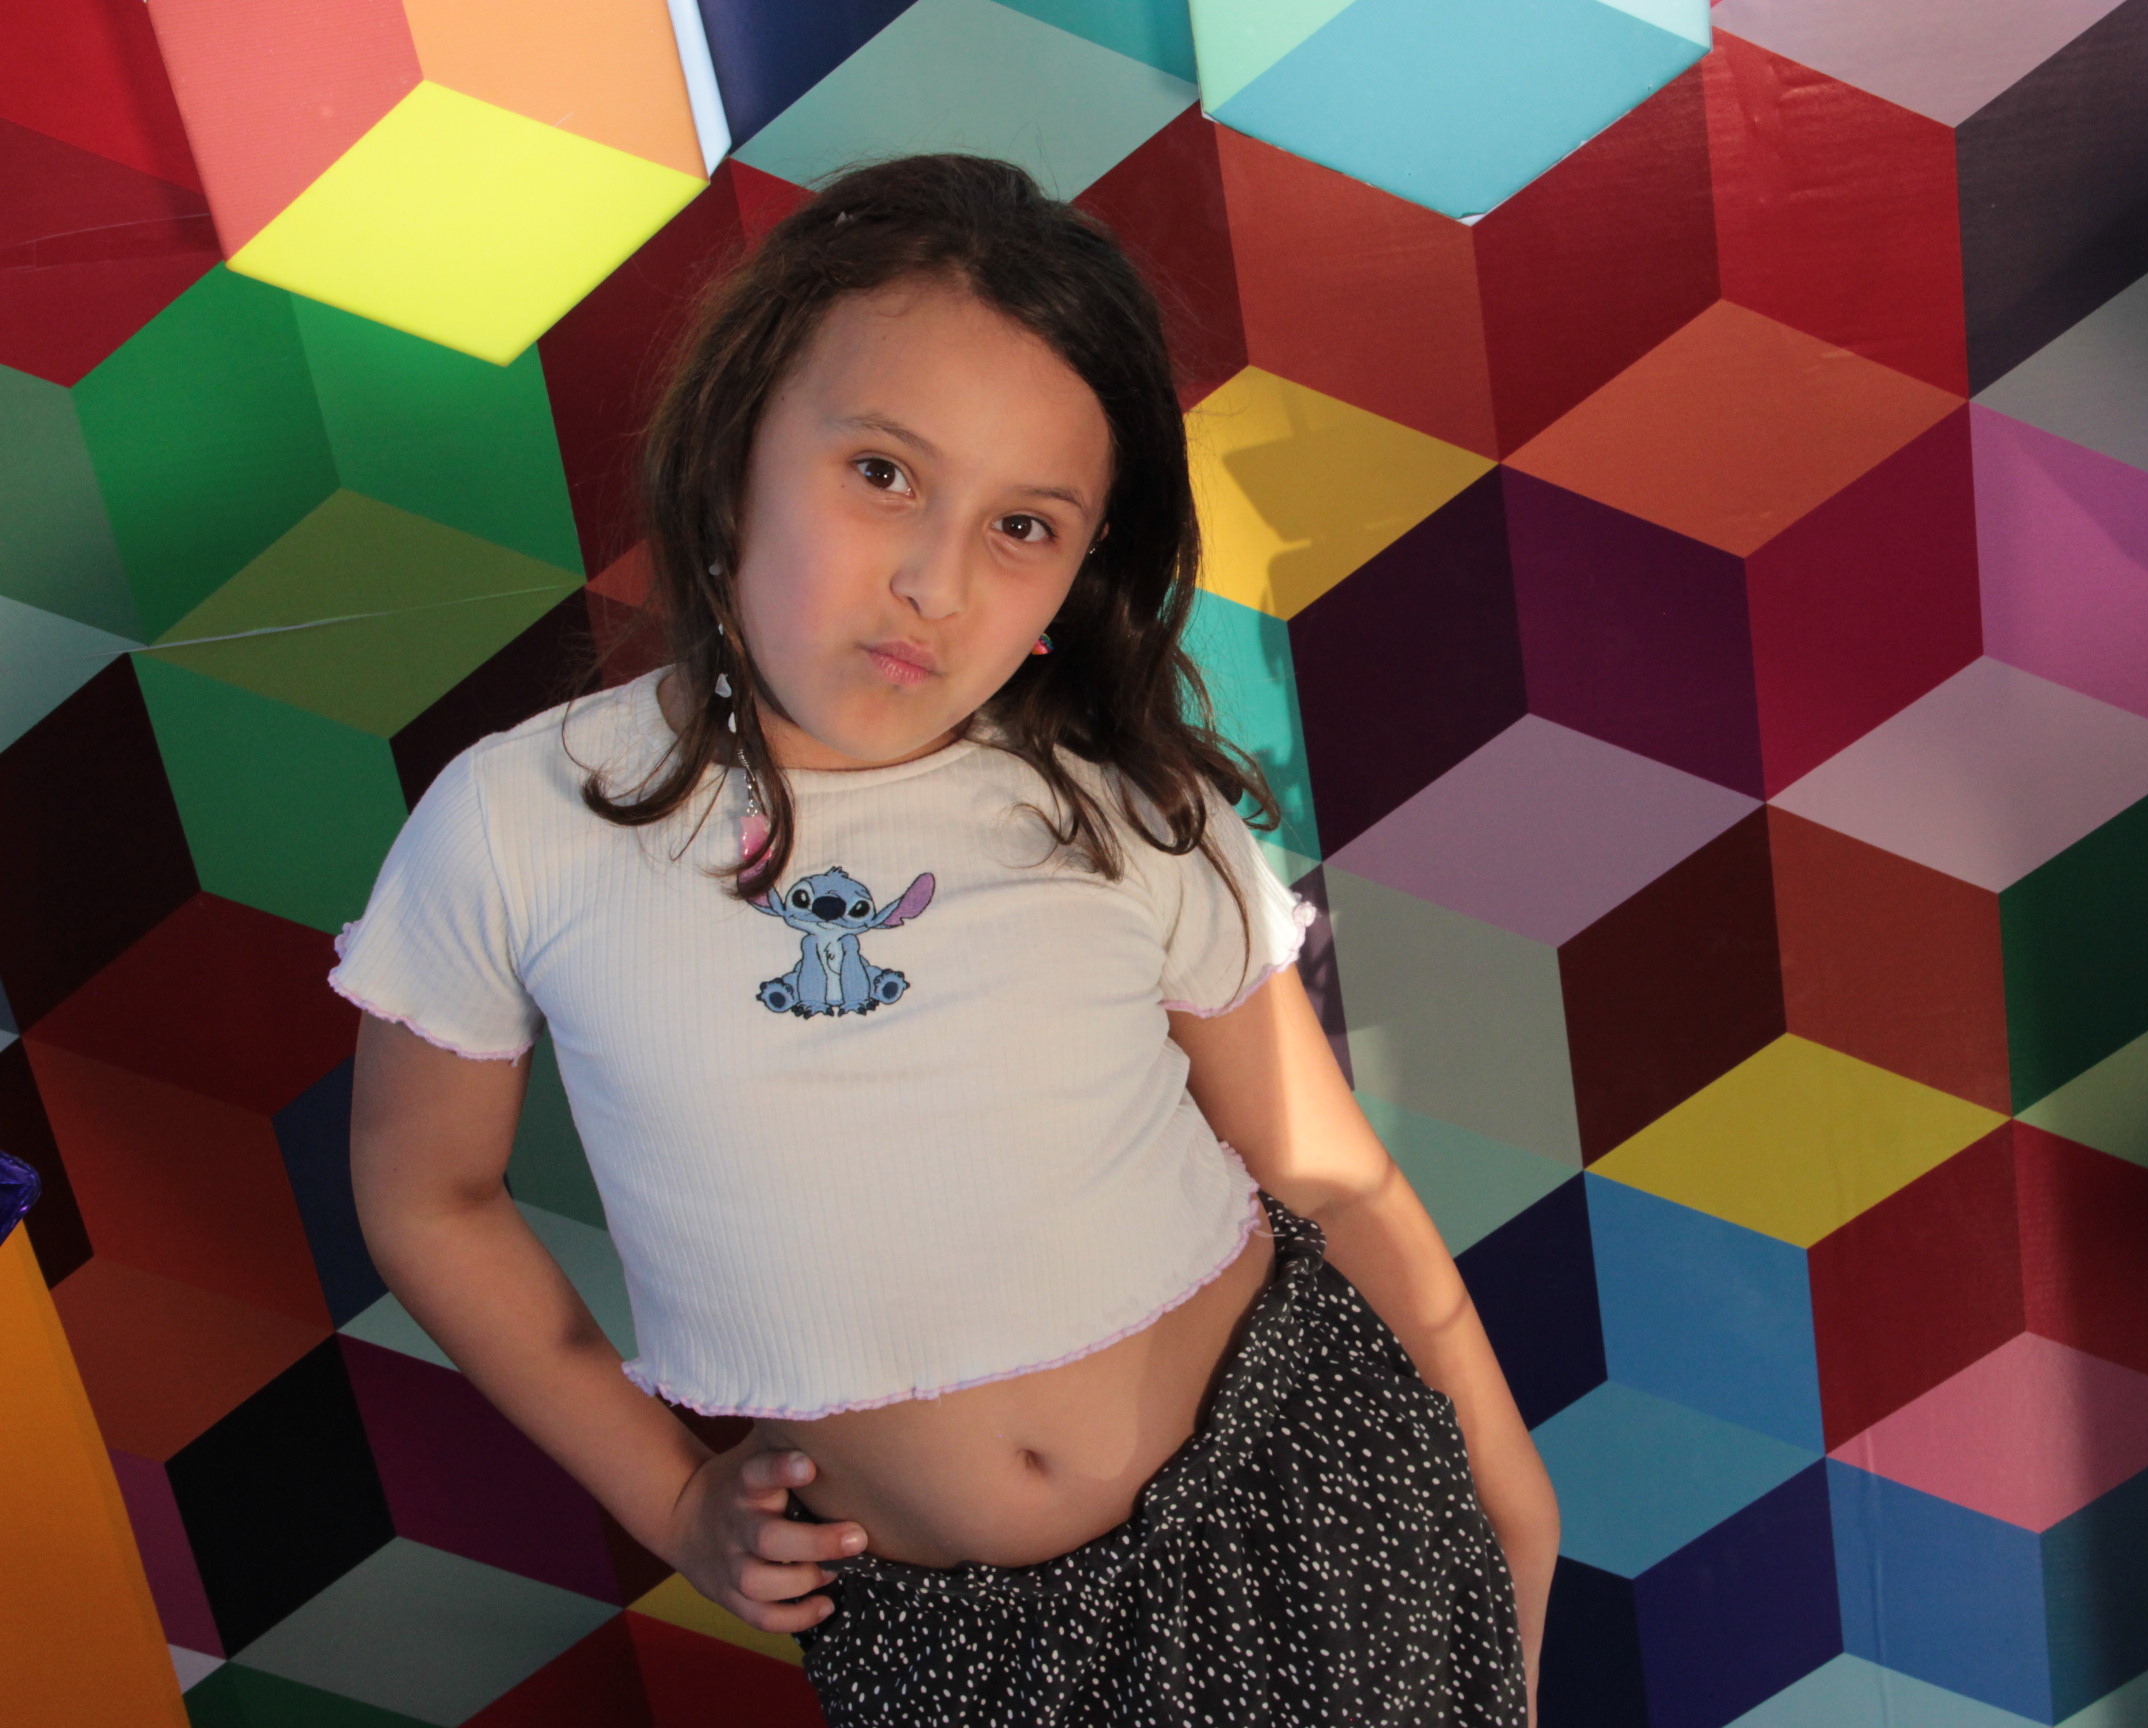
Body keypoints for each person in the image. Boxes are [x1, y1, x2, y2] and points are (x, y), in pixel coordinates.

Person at [340, 153, 1558, 1726]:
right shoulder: (523, 825)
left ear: (1077, 574)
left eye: (1024, 525)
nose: (934, 582)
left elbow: (1325, 1175)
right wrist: (670, 1500)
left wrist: (1509, 1492)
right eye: (884, 473)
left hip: (1313, 1498)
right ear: (736, 446)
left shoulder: (1113, 810)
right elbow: (427, 1194)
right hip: (955, 1647)